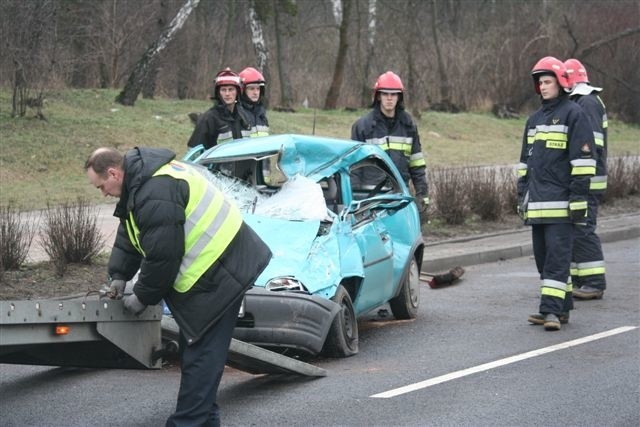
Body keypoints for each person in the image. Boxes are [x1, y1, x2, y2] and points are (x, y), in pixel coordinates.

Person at [85, 146, 272, 426]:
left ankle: (187, 422)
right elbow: (131, 231)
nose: (103, 194)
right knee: (197, 354)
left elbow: (164, 257)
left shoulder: (154, 191)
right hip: (219, 268)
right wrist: (119, 275)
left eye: (101, 187)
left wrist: (142, 296)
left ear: (113, 173)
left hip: (222, 273)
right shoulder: (142, 182)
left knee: (201, 356)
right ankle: (204, 420)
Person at [518, 56, 596, 330]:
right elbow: (525, 162)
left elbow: (584, 161)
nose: (543, 86)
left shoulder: (575, 115)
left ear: (561, 83)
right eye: (540, 82)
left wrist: (578, 199)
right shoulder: (534, 120)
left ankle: (549, 312)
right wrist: (522, 195)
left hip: (562, 205)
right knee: (543, 259)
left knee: (557, 259)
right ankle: (562, 308)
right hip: (538, 204)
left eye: (548, 81)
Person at [351, 71, 429, 223]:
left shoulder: (408, 126)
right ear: (378, 96)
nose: (389, 98)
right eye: (385, 93)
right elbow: (354, 167)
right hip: (370, 199)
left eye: (393, 94)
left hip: (399, 197)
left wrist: (422, 194)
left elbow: (417, 164)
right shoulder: (362, 127)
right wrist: (354, 199)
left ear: (399, 97)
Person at [564, 58, 608, 300]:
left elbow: (590, 147)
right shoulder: (584, 101)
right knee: (576, 229)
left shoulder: (587, 103)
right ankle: (581, 280)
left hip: (588, 180)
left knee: (583, 229)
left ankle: (594, 282)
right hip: (584, 179)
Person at [186, 68, 252, 160]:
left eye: (231, 89)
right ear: (218, 93)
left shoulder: (243, 116)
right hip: (215, 173)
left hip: (241, 172)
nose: (227, 94)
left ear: (237, 92)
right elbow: (194, 154)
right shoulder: (209, 118)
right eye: (223, 90)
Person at [239, 67, 270, 137]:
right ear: (242, 90)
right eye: (251, 88)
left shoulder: (262, 114)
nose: (255, 93)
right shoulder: (237, 113)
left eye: (258, 89)